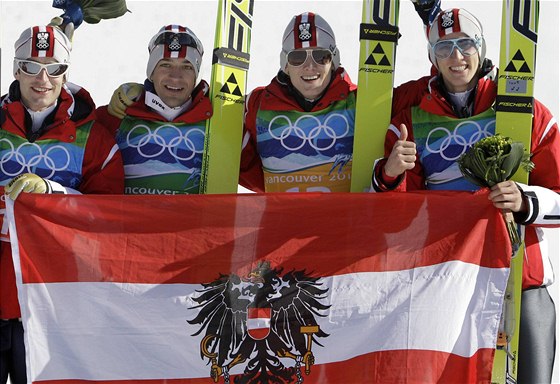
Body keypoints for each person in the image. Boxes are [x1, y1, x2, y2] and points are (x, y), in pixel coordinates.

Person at [370, 8, 558, 382]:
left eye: (465, 44)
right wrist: (390, 174)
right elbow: (392, 218)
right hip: (448, 282)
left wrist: (525, 201)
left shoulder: (523, 111)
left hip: (521, 281)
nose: (456, 58)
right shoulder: (411, 118)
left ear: (481, 47)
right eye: (443, 48)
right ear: (431, 57)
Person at [0, 25, 124, 384]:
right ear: (14, 70)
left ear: (65, 73)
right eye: (30, 65)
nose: (42, 78)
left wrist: (52, 193)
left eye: (54, 68)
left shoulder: (93, 138)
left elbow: (110, 217)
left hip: (51, 306)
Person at [238, 11, 431, 193]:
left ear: (334, 60)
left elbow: (444, 83)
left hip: (345, 227)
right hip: (281, 226)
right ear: (285, 64)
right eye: (298, 57)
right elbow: (220, 132)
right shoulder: (257, 105)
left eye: (321, 56)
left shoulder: (362, 103)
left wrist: (432, 23)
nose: (310, 66)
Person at [96, 24, 211, 195]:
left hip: (192, 221)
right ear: (152, 72)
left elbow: (259, 172)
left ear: (196, 76)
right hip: (130, 221)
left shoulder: (216, 120)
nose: (175, 76)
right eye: (166, 65)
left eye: (187, 67)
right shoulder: (117, 115)